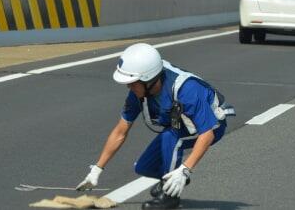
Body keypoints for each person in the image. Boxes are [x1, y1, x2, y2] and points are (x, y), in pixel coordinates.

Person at [76, 43, 235, 209]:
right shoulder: (138, 92)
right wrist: (97, 169)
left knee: (171, 136)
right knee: (144, 167)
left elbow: (207, 133)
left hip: (213, 124)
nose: (128, 86)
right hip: (181, 125)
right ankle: (170, 179)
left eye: (132, 82)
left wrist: (185, 169)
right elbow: (120, 132)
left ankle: (170, 198)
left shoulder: (187, 89)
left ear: (148, 79)